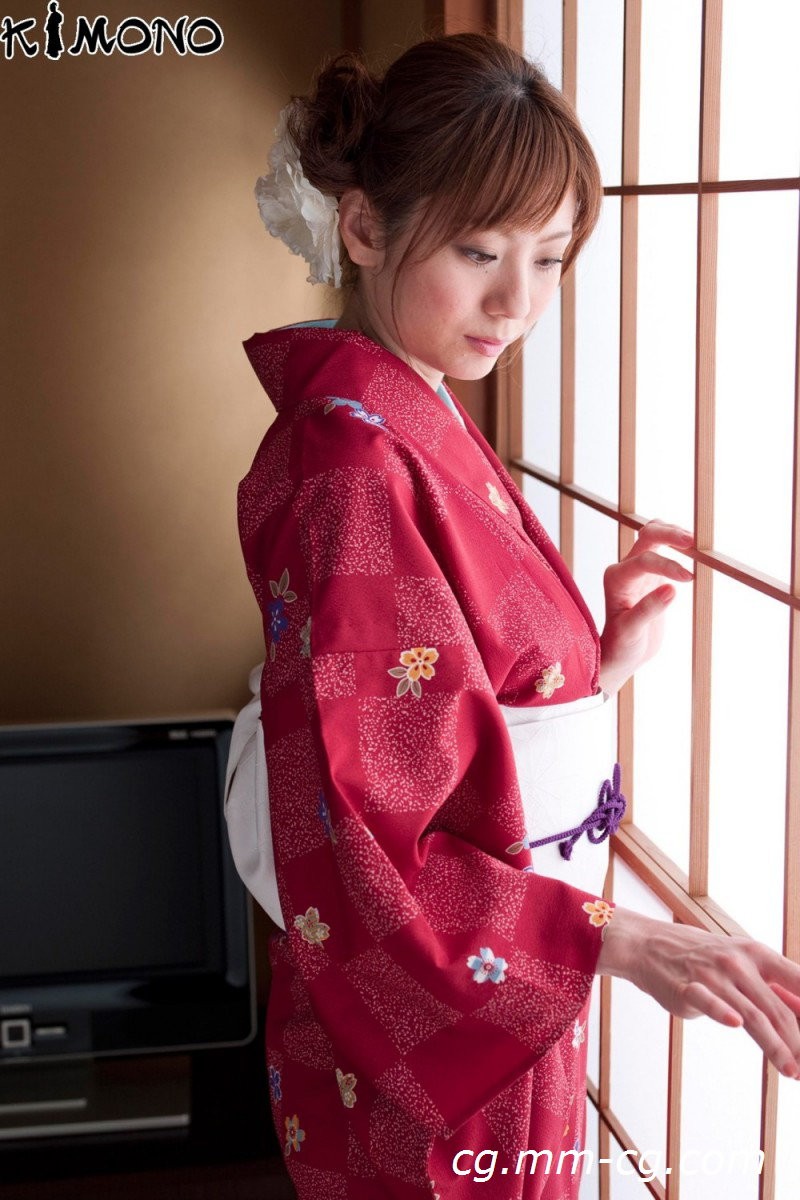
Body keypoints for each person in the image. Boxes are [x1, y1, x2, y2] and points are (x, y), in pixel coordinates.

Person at [230, 33, 800, 1199]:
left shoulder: (410, 407)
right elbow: (362, 828)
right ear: (364, 228)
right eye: (479, 251)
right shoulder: (349, 467)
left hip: (509, 966)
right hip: (448, 1003)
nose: (517, 303)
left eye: (548, 260)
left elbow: (445, 706)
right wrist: (615, 939)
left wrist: (596, 664)